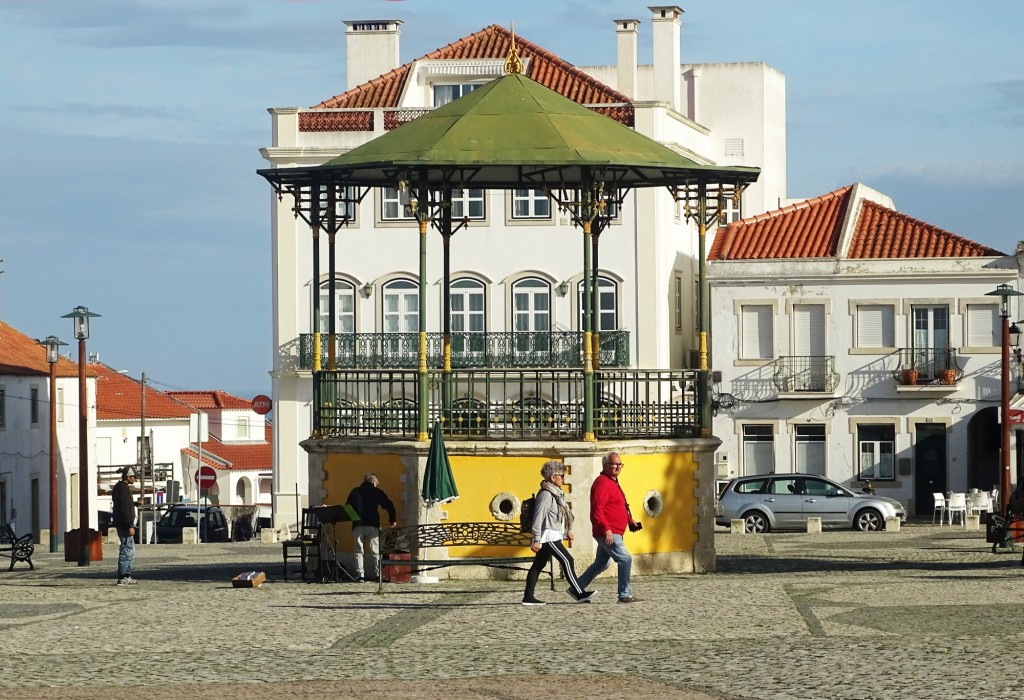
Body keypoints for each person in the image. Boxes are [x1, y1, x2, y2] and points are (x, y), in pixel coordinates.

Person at [522, 460, 595, 606]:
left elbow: (558, 516)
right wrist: (536, 539)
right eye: (561, 475)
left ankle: (528, 597)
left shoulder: (556, 494)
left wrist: (567, 531)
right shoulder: (546, 495)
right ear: (553, 477)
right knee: (568, 560)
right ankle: (578, 592)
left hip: (553, 534)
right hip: (547, 536)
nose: (564, 478)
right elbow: (539, 516)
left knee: (538, 565)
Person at [576, 452, 641, 603]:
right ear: (605, 466)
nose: (618, 467)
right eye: (614, 464)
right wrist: (606, 529)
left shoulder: (613, 482)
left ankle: (577, 587)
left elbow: (618, 507)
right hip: (609, 531)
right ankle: (624, 594)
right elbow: (597, 509)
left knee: (602, 563)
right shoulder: (602, 483)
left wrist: (629, 520)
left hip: (615, 530)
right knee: (625, 559)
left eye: (620, 464)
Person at [346, 473, 397, 582]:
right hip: (372, 525)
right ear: (373, 482)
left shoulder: (354, 492)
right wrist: (392, 520)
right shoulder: (376, 491)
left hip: (358, 525)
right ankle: (378, 574)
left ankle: (361, 575)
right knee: (375, 550)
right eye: (376, 483)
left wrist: (354, 518)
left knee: (359, 551)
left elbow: (347, 507)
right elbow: (389, 505)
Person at [111, 466, 138, 585]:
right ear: (128, 476)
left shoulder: (120, 488)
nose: (135, 479)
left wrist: (135, 503)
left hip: (122, 523)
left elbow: (125, 504)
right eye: (134, 477)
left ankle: (126, 575)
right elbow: (124, 508)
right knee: (126, 550)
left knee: (128, 550)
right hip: (124, 524)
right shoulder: (123, 489)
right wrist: (129, 525)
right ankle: (123, 576)